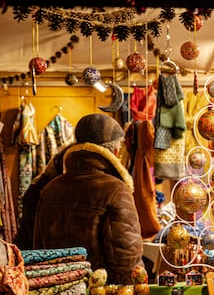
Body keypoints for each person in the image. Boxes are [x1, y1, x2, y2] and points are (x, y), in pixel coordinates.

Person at [33, 113, 144, 284]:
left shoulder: (50, 188)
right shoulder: (116, 189)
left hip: (57, 292)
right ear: (114, 151)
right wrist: (130, 294)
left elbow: (38, 250)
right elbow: (126, 255)